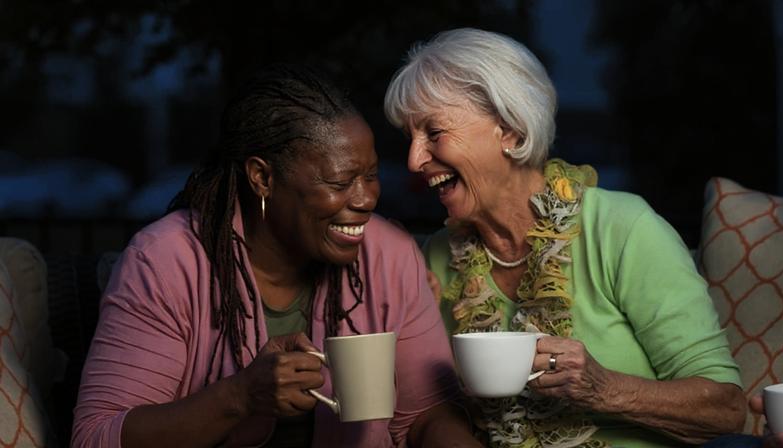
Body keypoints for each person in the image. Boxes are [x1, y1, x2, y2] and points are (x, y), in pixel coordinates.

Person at [72, 64, 480, 448]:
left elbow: (428, 414)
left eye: (370, 176)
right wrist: (239, 397)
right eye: (340, 181)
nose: (366, 198)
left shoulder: (389, 256)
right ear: (263, 178)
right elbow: (95, 437)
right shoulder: (165, 261)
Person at [383, 27, 750, 447]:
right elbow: (430, 414)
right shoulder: (436, 259)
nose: (414, 161)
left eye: (433, 133)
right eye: (409, 138)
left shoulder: (622, 229)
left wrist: (602, 388)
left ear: (511, 131)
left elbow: (727, 410)